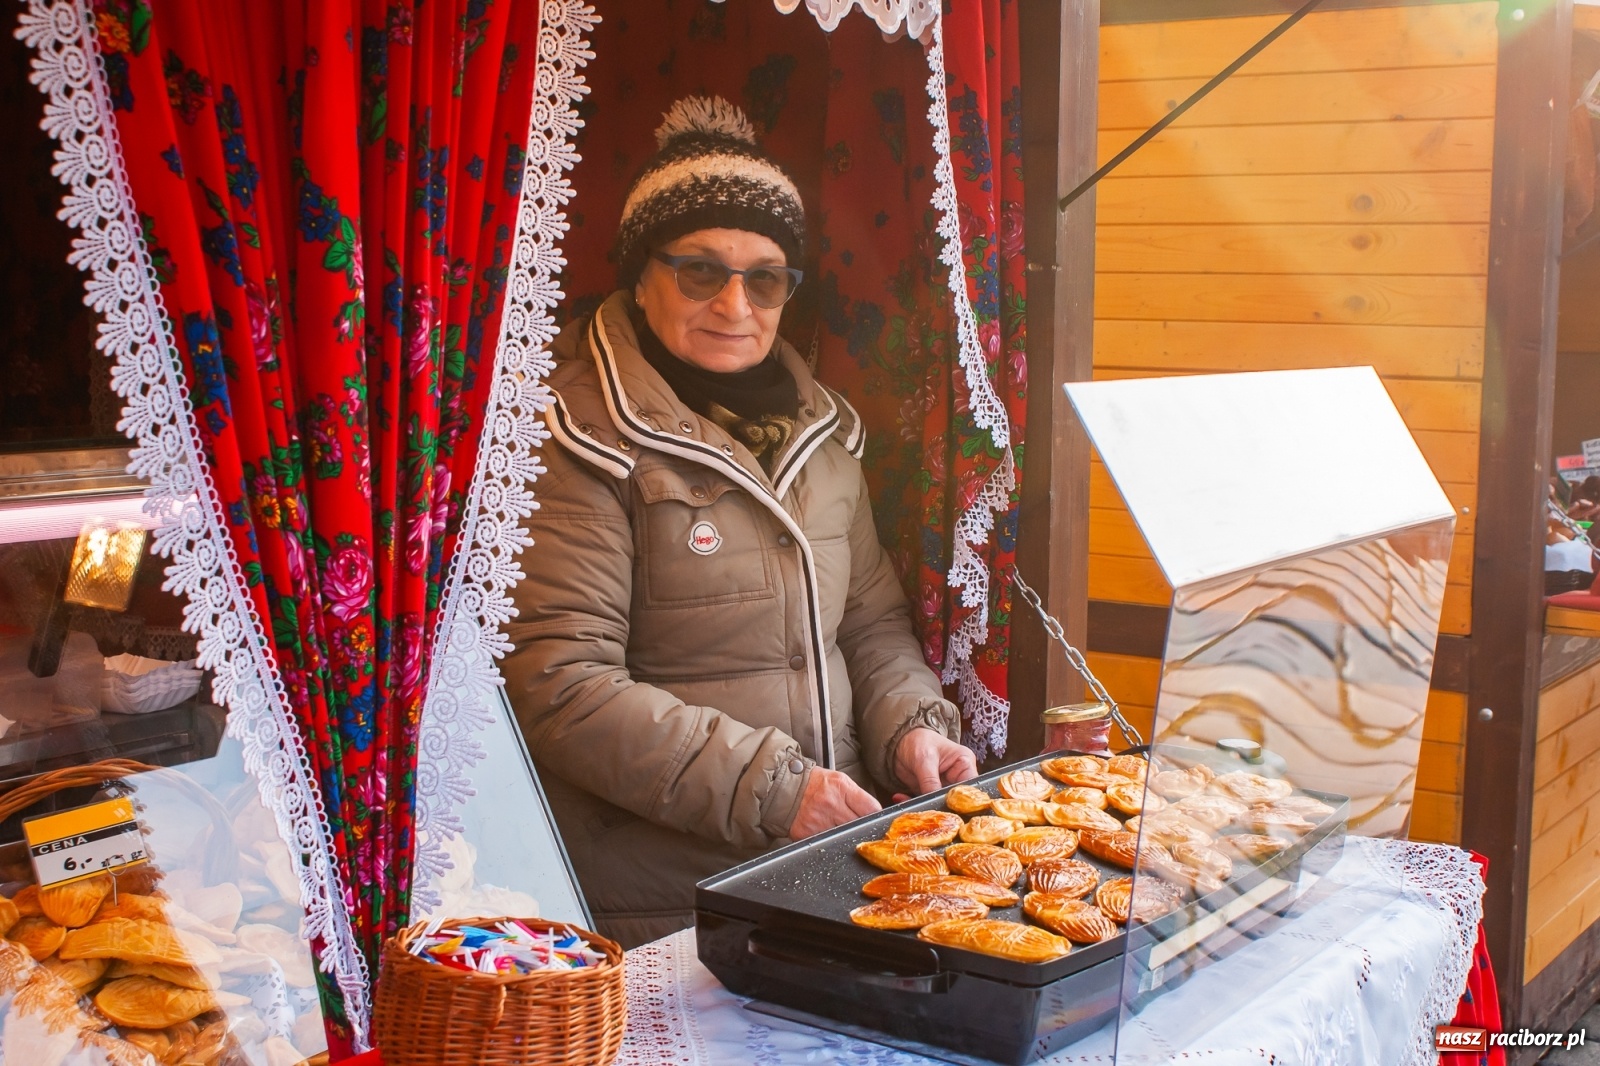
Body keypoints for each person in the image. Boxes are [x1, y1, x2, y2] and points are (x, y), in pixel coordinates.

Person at [501, 97, 975, 948]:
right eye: (700, 272)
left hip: (829, 868)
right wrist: (778, 791)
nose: (735, 304)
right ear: (641, 276)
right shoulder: (579, 438)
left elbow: (870, 625)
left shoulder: (827, 436)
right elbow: (562, 687)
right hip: (664, 901)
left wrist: (911, 727)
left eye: (765, 279)